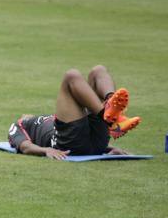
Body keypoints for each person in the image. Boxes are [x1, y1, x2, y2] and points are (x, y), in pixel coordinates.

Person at [8, 65, 141, 159]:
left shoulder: (47, 118)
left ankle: (110, 102)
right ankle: (112, 119)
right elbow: (25, 147)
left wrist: (109, 149)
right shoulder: (19, 125)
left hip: (95, 140)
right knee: (71, 76)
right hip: (68, 143)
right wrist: (45, 150)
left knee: (98, 71)